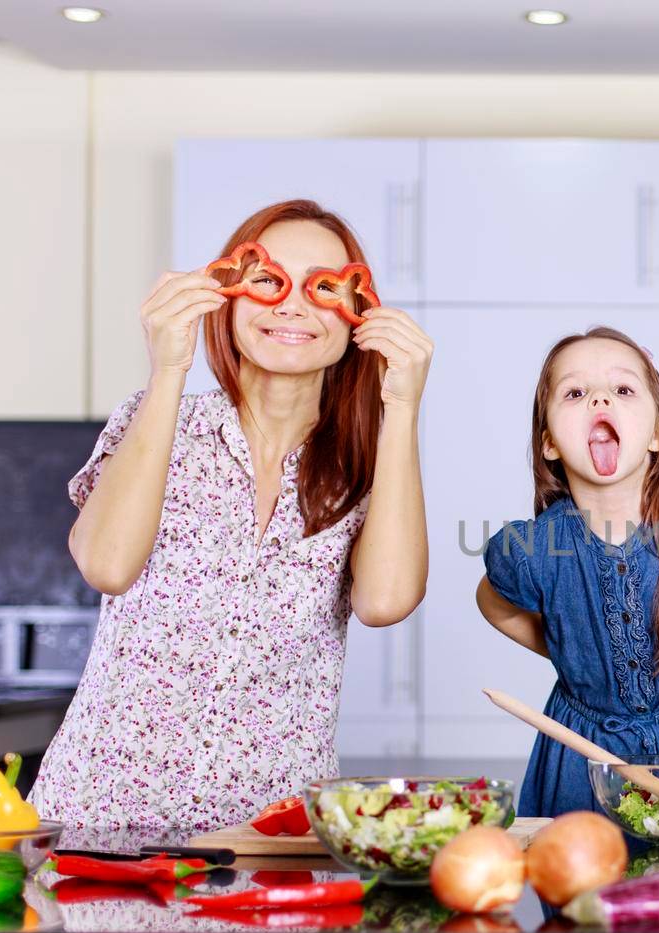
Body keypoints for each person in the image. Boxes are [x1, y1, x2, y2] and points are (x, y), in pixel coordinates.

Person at [30, 199, 434, 830]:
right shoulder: (161, 422)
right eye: (270, 282)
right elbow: (107, 565)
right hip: (99, 820)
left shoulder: (365, 465)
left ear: (358, 312)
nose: (294, 306)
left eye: (322, 287)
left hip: (270, 836)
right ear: (229, 293)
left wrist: (403, 404)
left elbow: (385, 602)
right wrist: (169, 367)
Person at [476, 326, 659, 817]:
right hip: (581, 754)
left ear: (657, 433)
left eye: (623, 389)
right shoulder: (531, 549)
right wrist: (574, 648)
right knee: (586, 882)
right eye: (575, 392)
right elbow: (492, 603)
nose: (599, 400)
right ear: (548, 442)